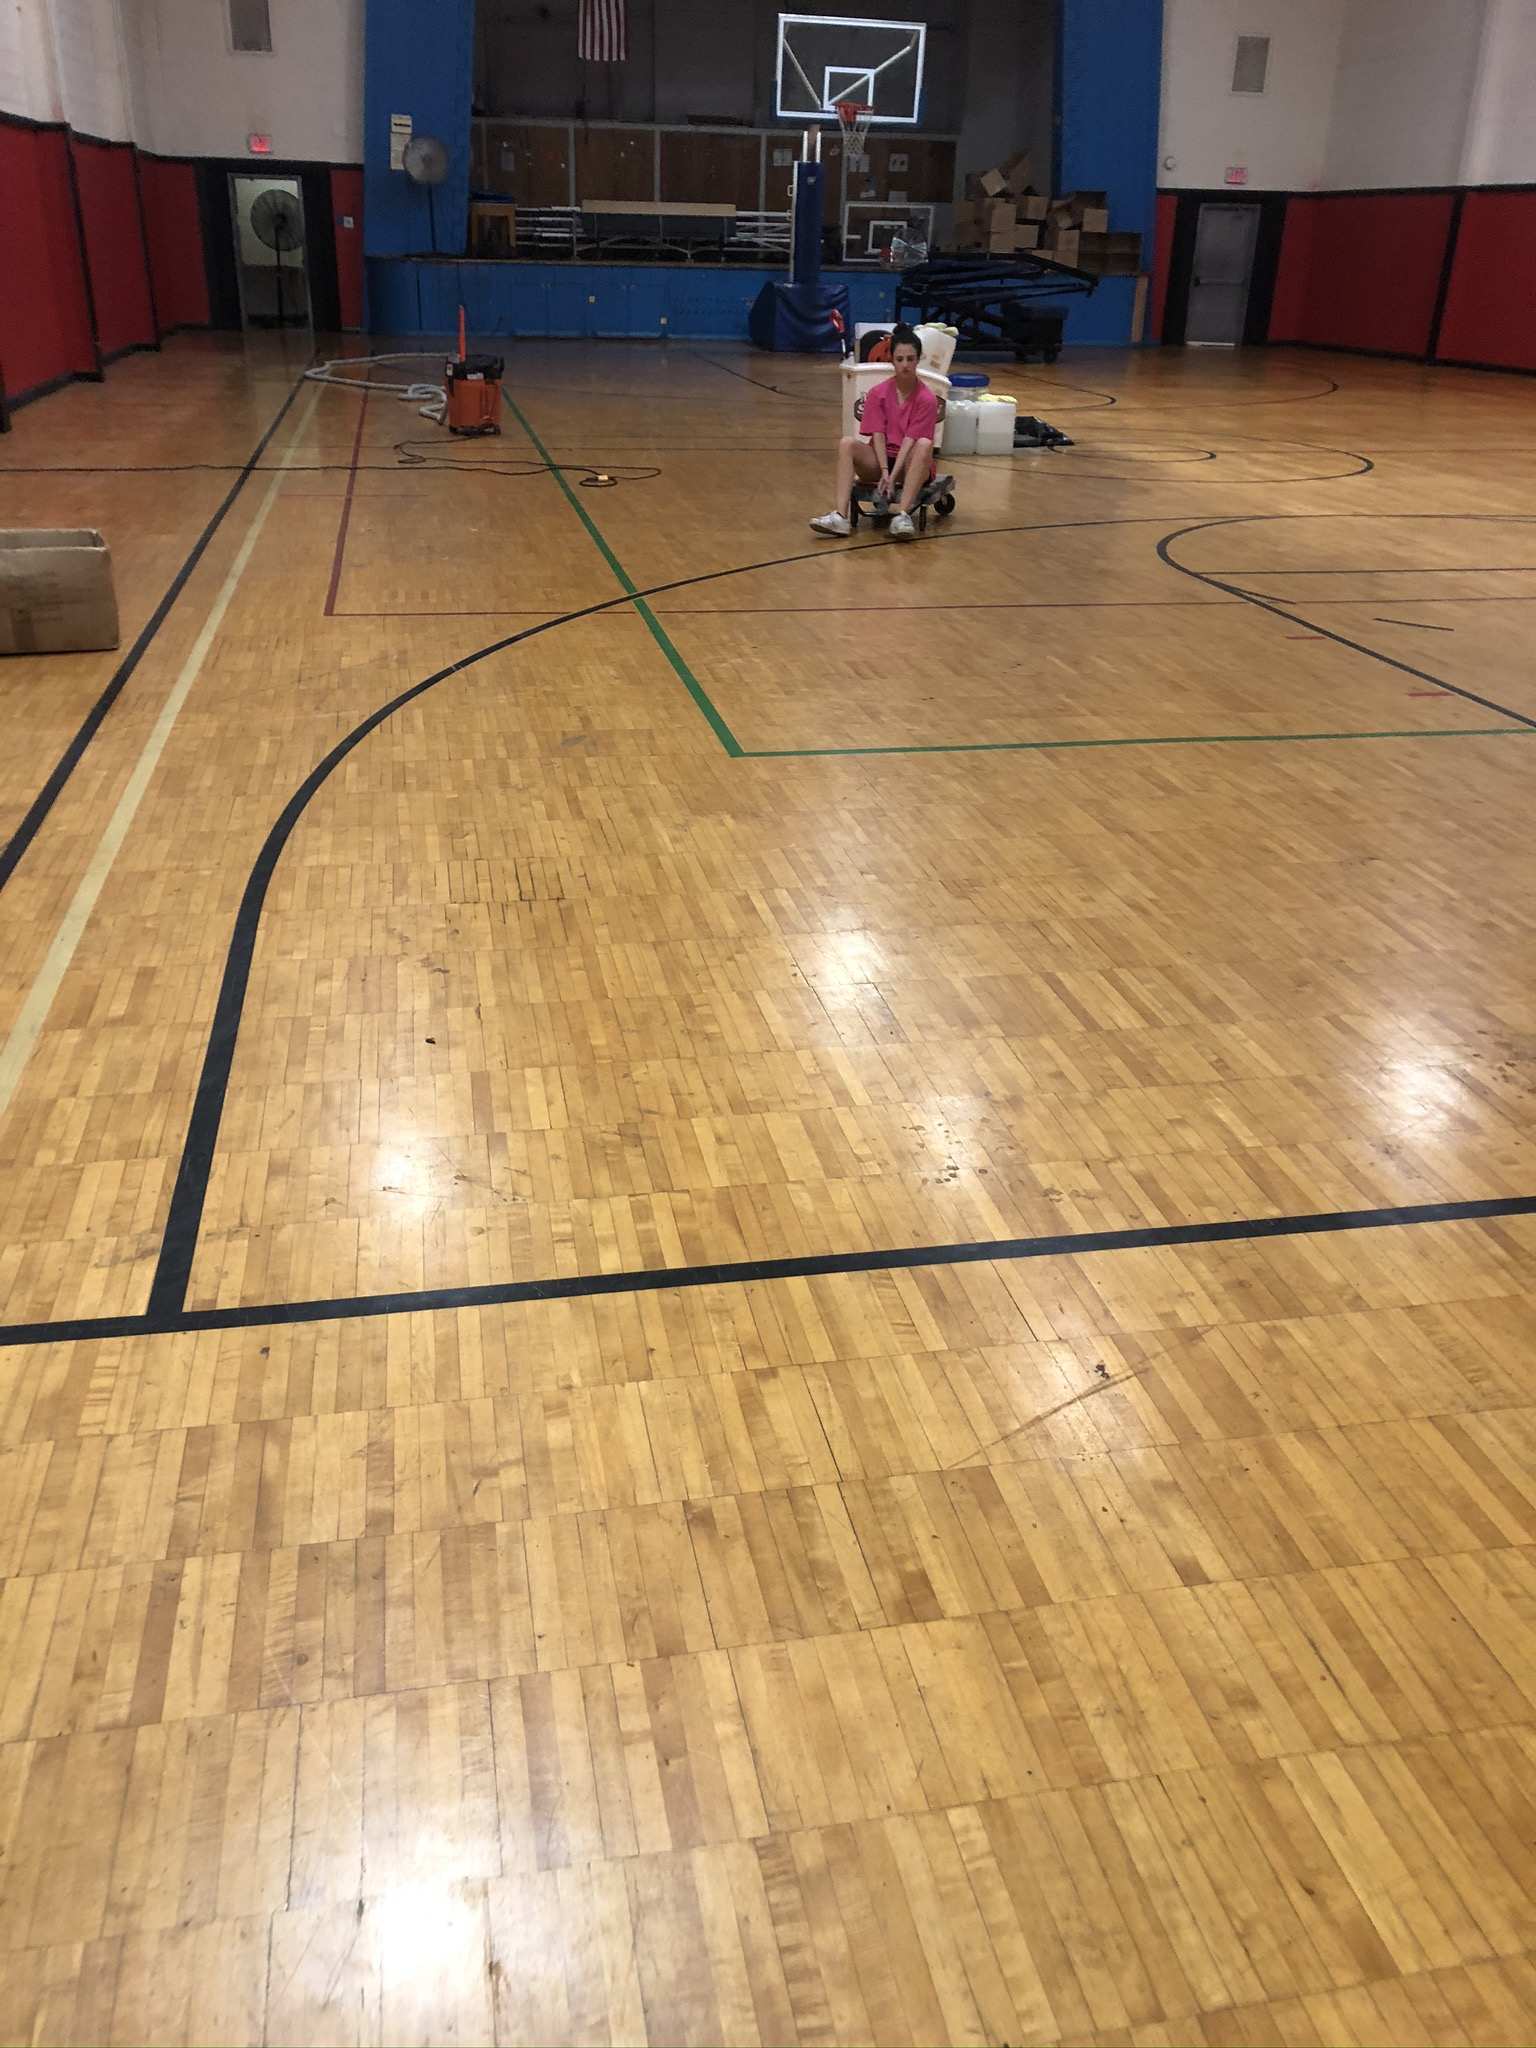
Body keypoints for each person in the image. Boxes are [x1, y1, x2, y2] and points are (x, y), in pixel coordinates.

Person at [810, 324, 938, 541]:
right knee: (847, 443)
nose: (905, 365)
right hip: (881, 459)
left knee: (924, 444)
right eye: (900, 359)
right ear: (892, 360)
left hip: (910, 463)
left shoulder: (927, 398)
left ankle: (903, 515)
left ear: (918, 359)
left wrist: (894, 475)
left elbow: (911, 440)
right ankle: (840, 517)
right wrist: (884, 471)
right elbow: (877, 434)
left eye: (910, 359)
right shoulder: (878, 393)